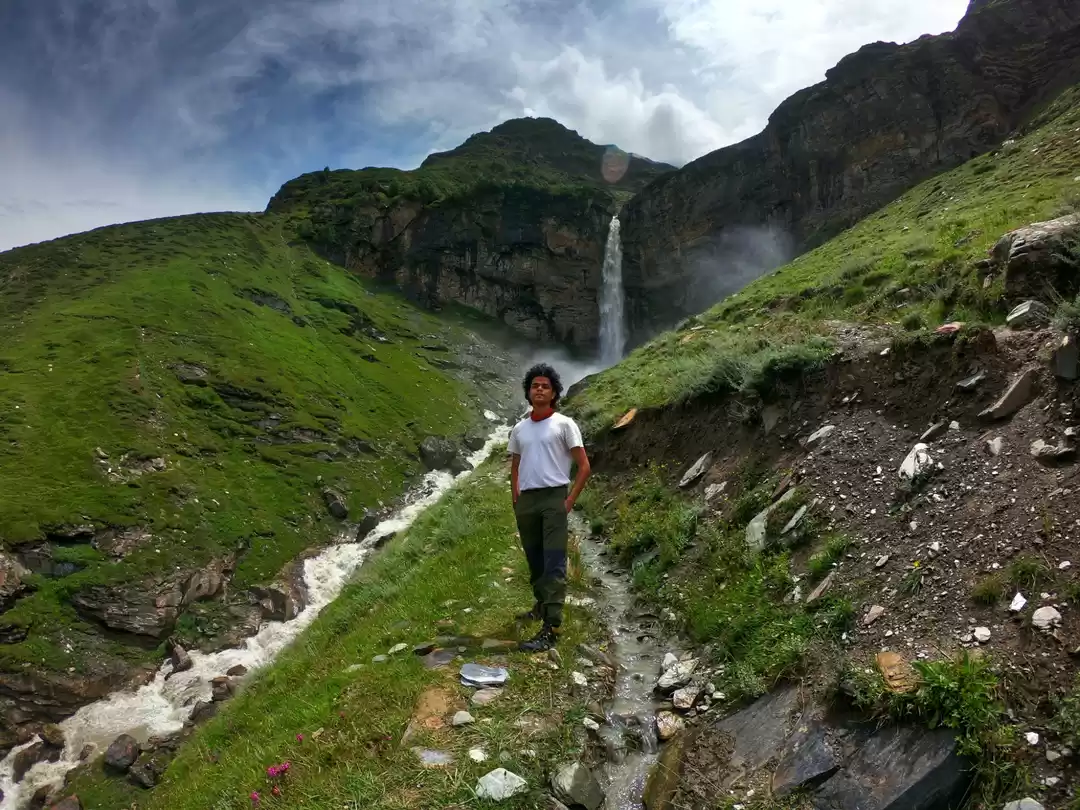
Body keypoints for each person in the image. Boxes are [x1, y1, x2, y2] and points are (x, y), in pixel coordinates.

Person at [508, 363, 591, 652]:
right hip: (527, 500)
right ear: (528, 392)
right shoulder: (519, 429)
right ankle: (542, 606)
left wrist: (568, 500)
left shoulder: (565, 424)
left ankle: (552, 628)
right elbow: (515, 467)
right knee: (534, 559)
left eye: (545, 385)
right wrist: (515, 499)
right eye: (535, 385)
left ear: (554, 392)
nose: (539, 389)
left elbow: (584, 466)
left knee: (554, 561)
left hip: (554, 497)